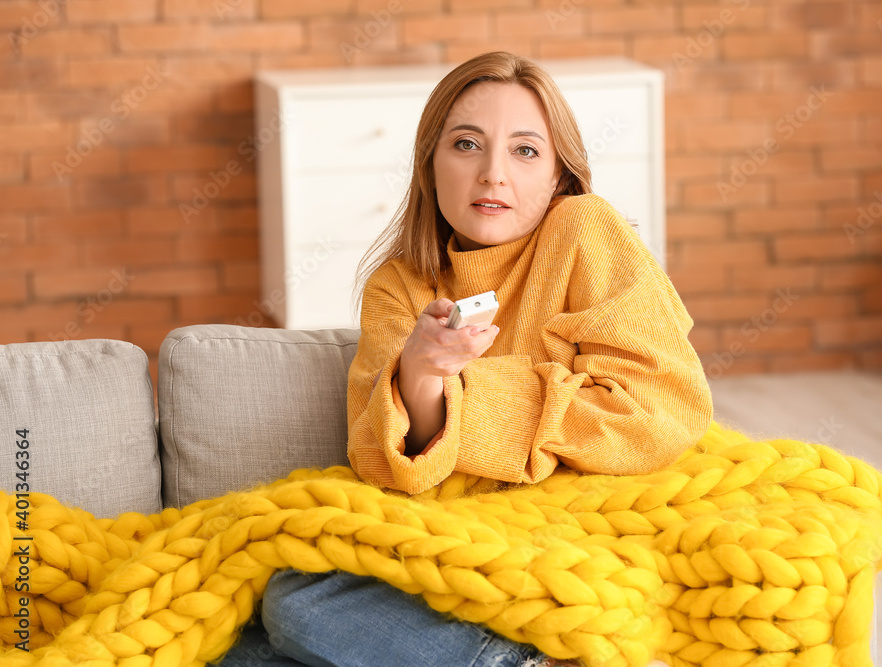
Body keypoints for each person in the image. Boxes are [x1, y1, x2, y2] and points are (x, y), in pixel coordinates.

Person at [222, 51, 713, 667]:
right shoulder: (399, 285)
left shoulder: (585, 228)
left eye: (525, 151)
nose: (493, 174)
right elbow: (381, 462)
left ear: (559, 175)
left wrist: (470, 388)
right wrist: (422, 374)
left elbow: (660, 407)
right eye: (466, 144)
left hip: (569, 536)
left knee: (298, 614)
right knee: (269, 613)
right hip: (459, 544)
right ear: (430, 166)